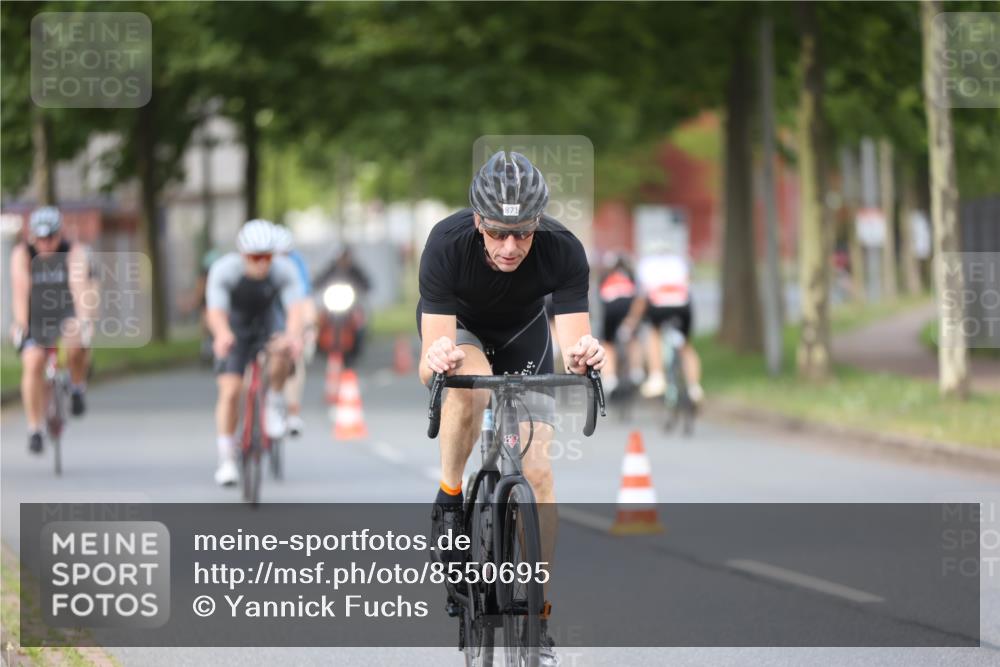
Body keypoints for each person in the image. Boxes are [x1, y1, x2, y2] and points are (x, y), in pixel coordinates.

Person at [417, 150, 605, 666]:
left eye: (522, 233)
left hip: (525, 336)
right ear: (478, 221)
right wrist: (437, 358)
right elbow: (431, 364)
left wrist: (585, 354)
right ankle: (450, 497)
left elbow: (574, 345)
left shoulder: (563, 250)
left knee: (538, 472)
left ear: (538, 222)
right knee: (465, 385)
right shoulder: (446, 243)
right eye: (498, 232)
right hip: (462, 333)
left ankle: (537, 615)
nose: (510, 246)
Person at [205, 219, 307, 486]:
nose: (262, 263)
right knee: (230, 391)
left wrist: (292, 337)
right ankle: (227, 459)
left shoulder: (284, 270)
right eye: (255, 257)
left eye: (267, 257)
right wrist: (222, 334)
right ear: (242, 254)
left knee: (283, 350)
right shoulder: (224, 270)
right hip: (235, 328)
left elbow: (295, 310)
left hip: (268, 324)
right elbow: (215, 311)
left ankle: (274, 401)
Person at [9, 207, 93, 453]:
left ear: (59, 234)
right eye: (41, 238)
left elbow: (79, 287)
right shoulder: (22, 254)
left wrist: (84, 320)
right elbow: (20, 290)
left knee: (77, 342)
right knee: (33, 361)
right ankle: (35, 428)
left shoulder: (72, 252)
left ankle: (77, 387)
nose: (46, 243)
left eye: (51, 237)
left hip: (65, 311)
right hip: (35, 315)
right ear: (33, 236)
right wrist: (22, 325)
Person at [621, 238, 703, 403]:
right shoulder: (680, 262)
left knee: (653, 332)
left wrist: (632, 320)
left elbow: (642, 298)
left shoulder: (646, 265)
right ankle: (694, 387)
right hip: (682, 304)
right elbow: (688, 284)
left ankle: (657, 375)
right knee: (686, 344)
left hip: (658, 303)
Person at [273, 224, 317, 437]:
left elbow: (304, 299)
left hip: (289, 311)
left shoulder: (295, 264)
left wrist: (309, 327)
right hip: (264, 313)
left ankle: (292, 412)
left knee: (294, 355)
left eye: (285, 254)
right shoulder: (256, 266)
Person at [596, 251, 642, 395]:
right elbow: (637, 296)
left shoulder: (605, 276)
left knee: (608, 342)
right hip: (628, 304)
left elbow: (600, 298)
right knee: (633, 337)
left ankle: (609, 378)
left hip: (611, 306)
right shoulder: (630, 275)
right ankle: (636, 371)